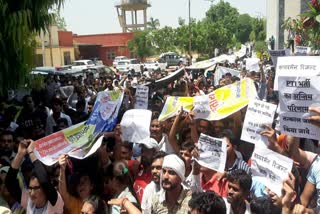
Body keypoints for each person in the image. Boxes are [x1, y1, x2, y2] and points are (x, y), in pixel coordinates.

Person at [5, 139, 64, 213]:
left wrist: (31, 152)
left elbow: (44, 181)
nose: (32, 193)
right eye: (30, 188)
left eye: (36, 188)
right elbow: (9, 182)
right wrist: (20, 154)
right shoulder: (28, 201)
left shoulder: (55, 201)